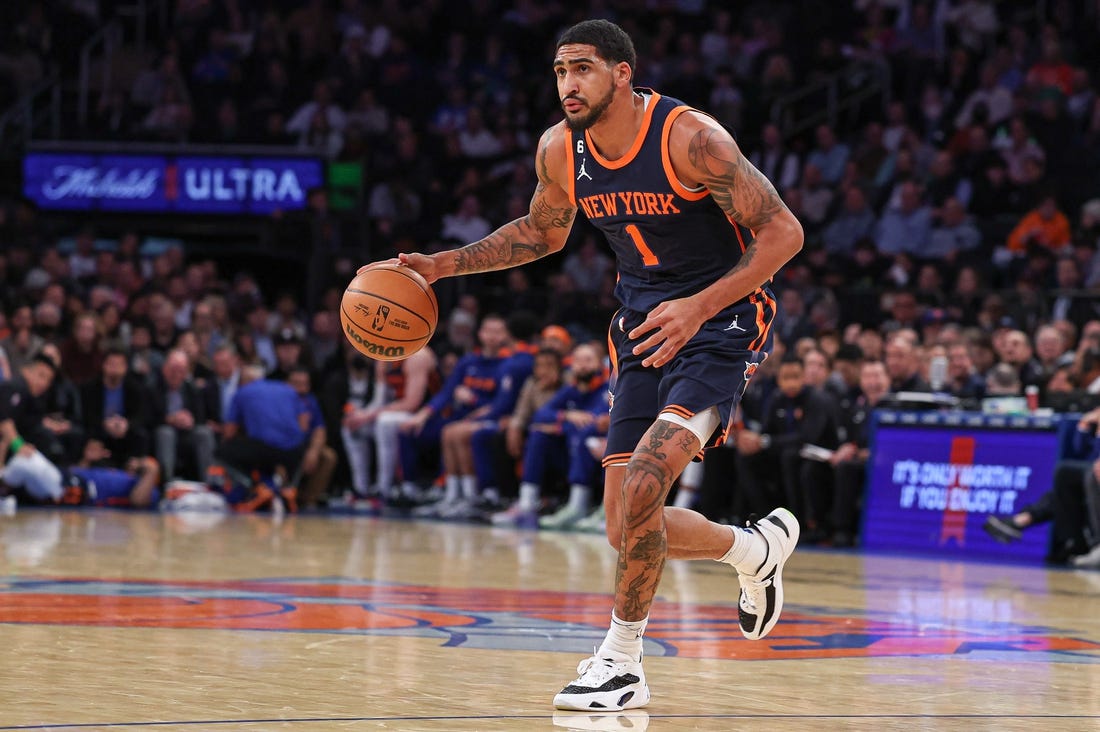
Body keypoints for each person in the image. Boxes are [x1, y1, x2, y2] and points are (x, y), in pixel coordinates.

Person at [361, 19, 803, 712]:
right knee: (626, 525)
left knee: (648, 481)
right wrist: (442, 266)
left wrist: (697, 307)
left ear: (621, 73)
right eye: (561, 71)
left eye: (583, 69)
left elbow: (784, 232)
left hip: (721, 319)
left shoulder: (693, 140)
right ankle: (753, 552)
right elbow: (541, 232)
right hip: (639, 328)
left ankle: (622, 663)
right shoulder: (561, 151)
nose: (568, 84)